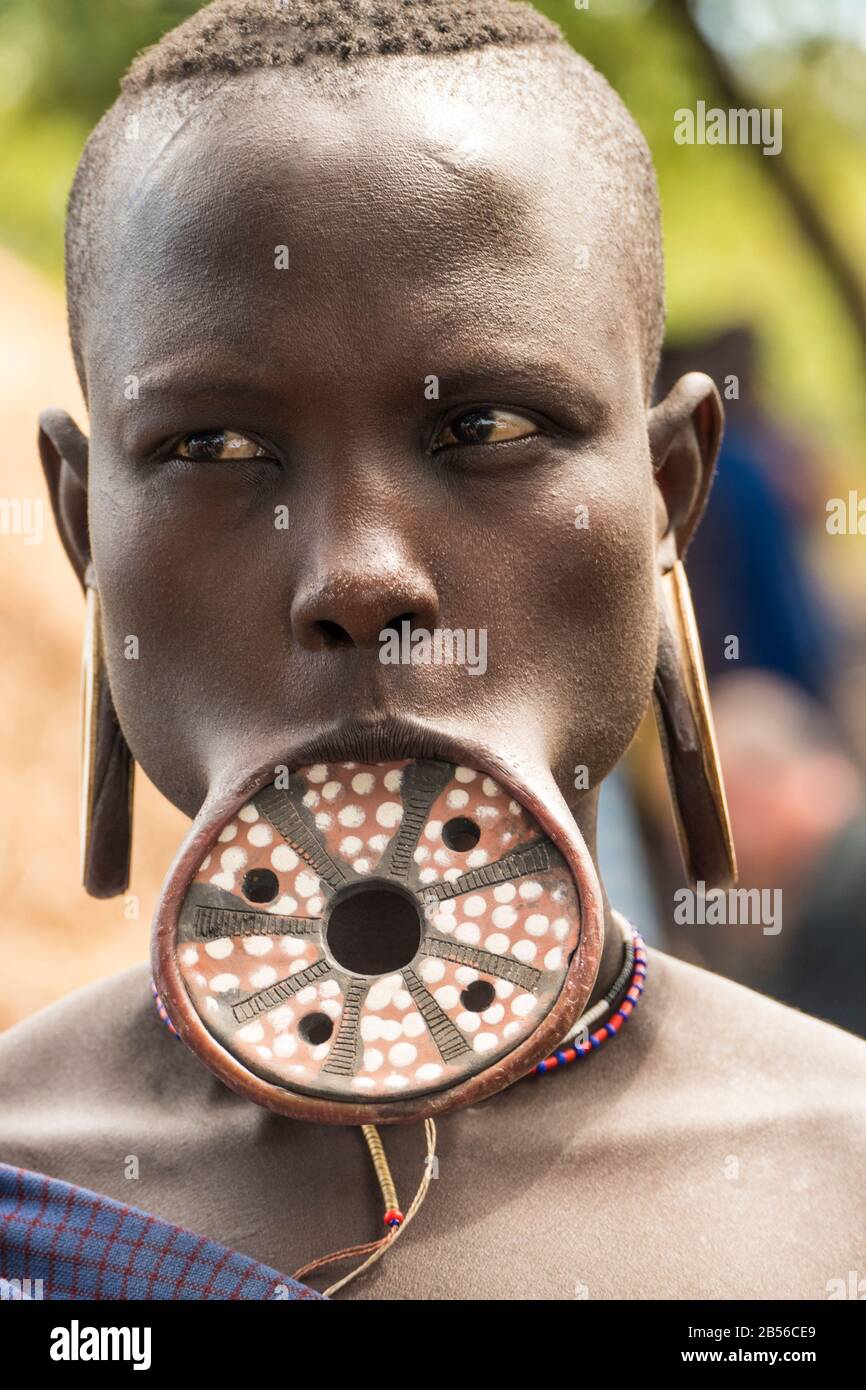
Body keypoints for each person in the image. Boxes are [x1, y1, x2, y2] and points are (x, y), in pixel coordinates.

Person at [1, 0, 865, 1300]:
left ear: (668, 493)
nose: (356, 575)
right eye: (214, 451)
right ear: (82, 526)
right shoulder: (28, 1184)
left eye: (486, 427)